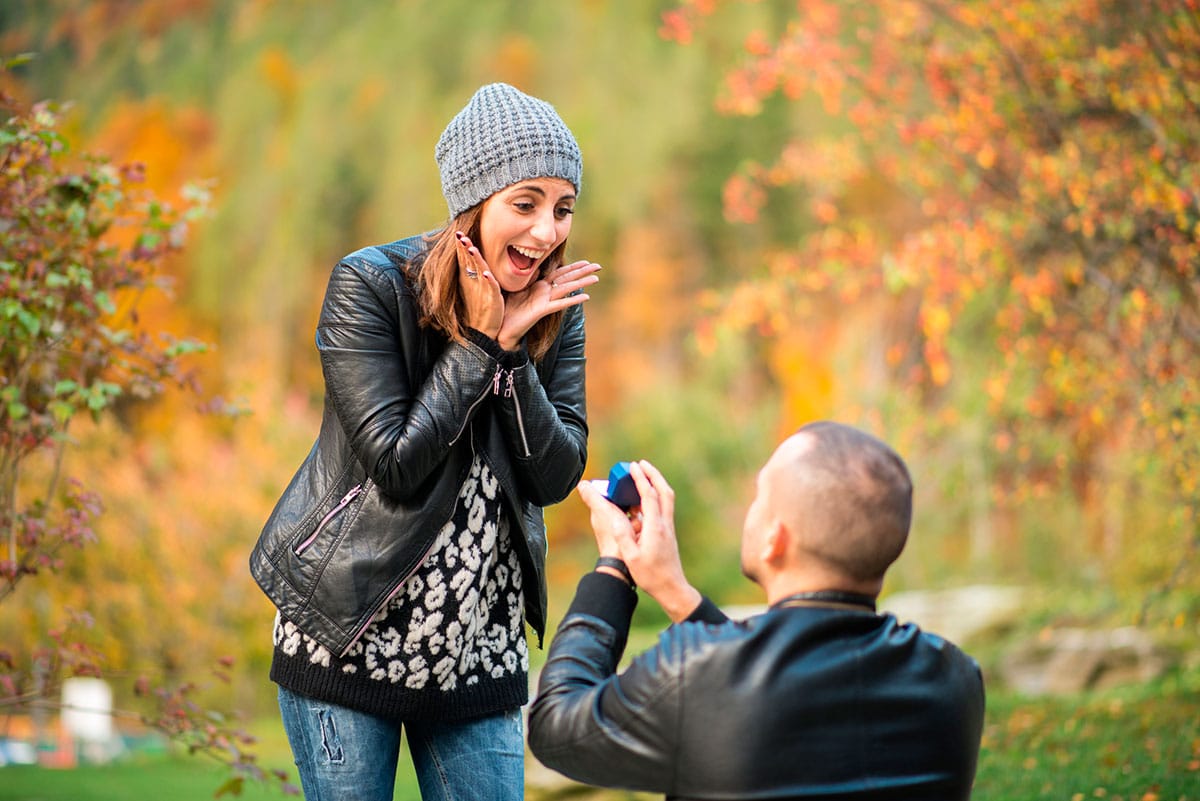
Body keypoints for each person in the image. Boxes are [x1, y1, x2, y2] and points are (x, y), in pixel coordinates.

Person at [249, 82, 599, 801]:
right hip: (348, 635)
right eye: (525, 203)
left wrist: (514, 356)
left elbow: (555, 475)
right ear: (474, 201)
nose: (547, 233)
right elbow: (398, 464)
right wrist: (481, 343)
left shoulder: (555, 309)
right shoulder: (371, 287)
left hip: (476, 648)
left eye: (563, 209)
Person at [529, 421, 985, 801]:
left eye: (759, 497)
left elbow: (556, 726)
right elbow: (765, 688)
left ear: (775, 538)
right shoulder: (956, 679)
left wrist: (613, 566)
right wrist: (675, 593)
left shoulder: (697, 672)